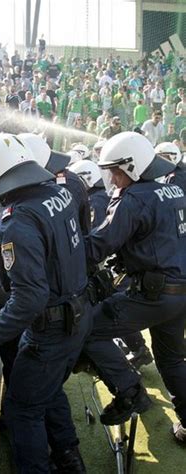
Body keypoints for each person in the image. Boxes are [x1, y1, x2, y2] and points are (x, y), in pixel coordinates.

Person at [0, 133, 92, 472]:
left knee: (22, 410)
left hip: (50, 329)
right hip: (77, 314)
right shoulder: (60, 194)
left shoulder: (17, 222)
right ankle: (69, 457)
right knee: (46, 392)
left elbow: (29, 296)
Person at [82, 132, 186, 443]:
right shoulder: (174, 191)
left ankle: (131, 391)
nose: (113, 179)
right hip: (179, 291)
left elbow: (100, 245)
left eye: (116, 171)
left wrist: (61, 250)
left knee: (88, 328)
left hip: (153, 294)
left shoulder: (134, 199)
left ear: (134, 166)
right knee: (172, 359)